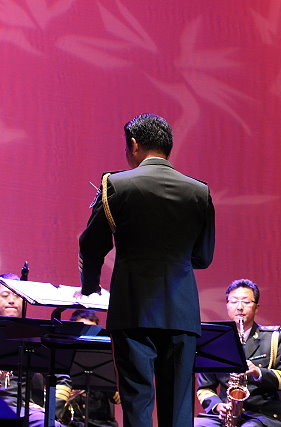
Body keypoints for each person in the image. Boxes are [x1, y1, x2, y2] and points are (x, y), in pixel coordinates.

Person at [77, 113, 216, 427]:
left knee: (137, 404)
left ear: (134, 145)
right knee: (178, 409)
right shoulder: (199, 191)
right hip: (182, 314)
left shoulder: (116, 184)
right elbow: (204, 257)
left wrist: (89, 287)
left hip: (133, 310)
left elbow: (91, 245)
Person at [195, 279, 281, 427]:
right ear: (227, 305)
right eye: (234, 302)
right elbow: (205, 388)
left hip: (263, 415)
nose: (240, 307)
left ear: (256, 307)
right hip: (226, 414)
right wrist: (217, 406)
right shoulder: (214, 340)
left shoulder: (275, 337)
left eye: (246, 302)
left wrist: (258, 372)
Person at [0, 273, 70, 427]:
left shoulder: (34, 335)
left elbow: (62, 377)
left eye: (17, 296)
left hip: (25, 409)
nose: (11, 300)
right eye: (5, 295)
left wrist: (50, 412)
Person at [60, 309, 119, 427]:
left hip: (103, 424)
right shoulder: (63, 359)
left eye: (92, 332)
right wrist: (68, 395)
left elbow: (118, 400)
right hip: (71, 423)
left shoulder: (107, 359)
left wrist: (106, 377)